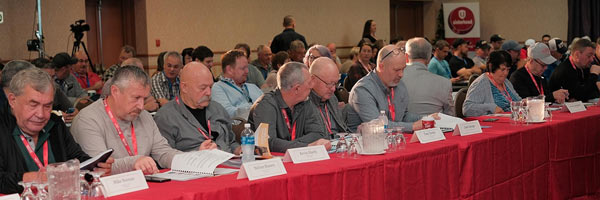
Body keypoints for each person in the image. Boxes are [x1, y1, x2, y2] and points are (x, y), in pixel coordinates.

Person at [71, 66, 215, 175]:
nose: (141, 106)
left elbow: (163, 152)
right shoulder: (88, 120)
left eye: (144, 99)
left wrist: (194, 159)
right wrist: (135, 161)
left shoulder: (144, 116)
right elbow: (100, 167)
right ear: (115, 92)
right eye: (136, 98)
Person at [0, 68, 113, 194]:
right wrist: (33, 178)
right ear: (12, 100)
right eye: (33, 105)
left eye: (47, 106)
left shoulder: (55, 124)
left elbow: (78, 159)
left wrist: (95, 168)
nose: (41, 114)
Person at [155, 62, 241, 153]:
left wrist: (239, 150)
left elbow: (231, 142)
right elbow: (165, 157)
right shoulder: (166, 117)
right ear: (184, 87)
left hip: (228, 162)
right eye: (203, 88)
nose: (208, 93)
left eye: (210, 87)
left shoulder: (218, 109)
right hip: (193, 165)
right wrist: (197, 154)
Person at [248, 62, 331, 153]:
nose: (312, 85)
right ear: (297, 89)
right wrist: (306, 146)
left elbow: (319, 133)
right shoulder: (265, 106)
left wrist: (291, 145)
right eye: (309, 82)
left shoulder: (305, 101)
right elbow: (268, 143)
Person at [347, 45, 426, 132]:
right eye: (397, 70)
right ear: (381, 66)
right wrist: (413, 126)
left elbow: (403, 116)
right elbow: (377, 126)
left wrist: (426, 119)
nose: (401, 74)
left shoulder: (399, 85)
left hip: (392, 140)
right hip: (365, 143)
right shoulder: (362, 90)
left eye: (403, 69)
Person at [402, 38, 454, 116]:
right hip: (435, 126)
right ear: (429, 58)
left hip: (402, 127)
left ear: (406, 57)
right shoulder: (445, 83)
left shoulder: (395, 80)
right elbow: (450, 117)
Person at [463, 51, 521, 117]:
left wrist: (525, 103)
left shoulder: (506, 82)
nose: (506, 73)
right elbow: (467, 109)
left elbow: (518, 101)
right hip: (494, 124)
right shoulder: (481, 83)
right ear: (492, 67)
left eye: (508, 69)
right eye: (502, 69)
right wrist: (491, 107)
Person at [211, 50, 263, 119]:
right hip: (238, 128)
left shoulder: (253, 87)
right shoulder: (218, 88)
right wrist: (255, 109)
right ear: (229, 70)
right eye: (243, 68)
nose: (247, 71)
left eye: (247, 67)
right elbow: (227, 113)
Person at [309, 57, 350, 137]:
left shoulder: (332, 98)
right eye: (329, 84)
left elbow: (342, 129)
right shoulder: (304, 102)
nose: (333, 89)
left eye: (335, 83)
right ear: (313, 79)